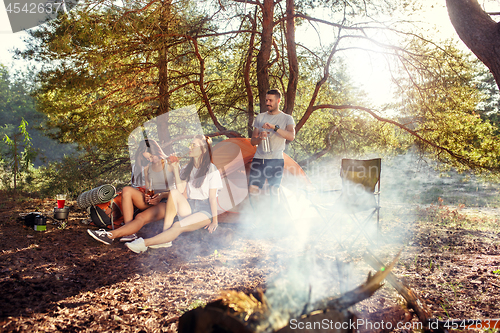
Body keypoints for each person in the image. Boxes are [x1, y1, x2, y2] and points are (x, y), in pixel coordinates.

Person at [87, 135, 222, 253]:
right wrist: (175, 169)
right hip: (188, 205)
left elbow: (212, 197)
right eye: (190, 144)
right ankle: (161, 235)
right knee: (169, 193)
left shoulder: (211, 169)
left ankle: (147, 242)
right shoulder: (188, 168)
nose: (190, 147)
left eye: (194, 145)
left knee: (175, 225)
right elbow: (180, 191)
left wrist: (215, 221)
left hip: (202, 209)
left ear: (203, 150)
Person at [88, 139, 175, 243]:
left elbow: (178, 192)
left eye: (151, 157)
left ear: (157, 151)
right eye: (147, 158)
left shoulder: (170, 164)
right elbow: (149, 190)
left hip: (167, 202)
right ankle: (130, 232)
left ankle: (109, 235)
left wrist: (161, 196)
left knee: (140, 217)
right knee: (127, 190)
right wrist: (148, 197)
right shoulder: (148, 168)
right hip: (153, 200)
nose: (150, 160)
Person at [249, 89, 295, 211]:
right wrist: (259, 138)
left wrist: (275, 127)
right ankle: (260, 218)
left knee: (274, 190)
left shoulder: (287, 118)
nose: (267, 103)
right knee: (252, 189)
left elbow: (291, 136)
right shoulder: (260, 117)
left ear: (278, 101)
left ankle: (273, 221)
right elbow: (252, 141)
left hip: (276, 159)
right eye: (266, 100)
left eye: (271, 100)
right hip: (259, 159)